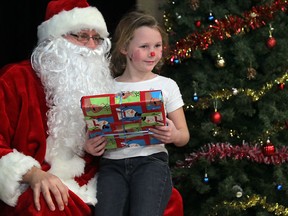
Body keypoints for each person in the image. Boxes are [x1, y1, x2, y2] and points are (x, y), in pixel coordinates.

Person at [0, 0, 184, 215]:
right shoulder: (15, 79)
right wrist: (32, 174)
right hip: (37, 178)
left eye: (96, 38)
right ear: (54, 40)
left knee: (168, 199)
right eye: (80, 36)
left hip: (93, 177)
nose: (90, 45)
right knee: (47, 204)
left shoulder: (102, 84)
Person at [89, 10, 190, 216]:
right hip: (112, 165)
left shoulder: (166, 85)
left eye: (157, 46)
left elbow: (184, 136)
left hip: (151, 162)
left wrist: (174, 135)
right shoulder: (106, 87)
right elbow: (93, 129)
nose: (153, 53)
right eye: (144, 47)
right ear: (125, 48)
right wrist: (89, 144)